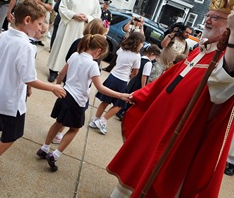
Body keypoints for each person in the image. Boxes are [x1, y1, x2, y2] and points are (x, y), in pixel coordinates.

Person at [106, 0, 234, 197]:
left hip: (184, 134)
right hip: (162, 122)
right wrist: (140, 94)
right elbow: (170, 80)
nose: (208, 21)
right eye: (207, 16)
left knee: (161, 179)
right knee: (141, 169)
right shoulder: (202, 49)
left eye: (216, 18)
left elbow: (225, 88)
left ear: (233, 23)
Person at [0, 0, 66, 183]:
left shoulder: (4, 35)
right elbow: (29, 78)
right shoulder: (26, 46)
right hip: (11, 102)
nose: (41, 27)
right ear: (27, 20)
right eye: (39, 23)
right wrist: (53, 87)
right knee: (12, 135)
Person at [36, 34, 130, 172]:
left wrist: (57, 87)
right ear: (98, 51)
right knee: (74, 129)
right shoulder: (92, 64)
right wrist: (121, 95)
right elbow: (100, 88)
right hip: (77, 101)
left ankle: (44, 148)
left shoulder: (75, 55)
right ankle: (55, 155)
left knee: (58, 123)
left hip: (64, 93)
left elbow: (61, 74)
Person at [47, 0, 101, 82]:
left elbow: (97, 16)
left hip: (81, 30)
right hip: (68, 26)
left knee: (75, 52)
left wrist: (87, 18)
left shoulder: (94, 0)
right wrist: (74, 15)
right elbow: (61, 7)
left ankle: (66, 74)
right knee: (60, 49)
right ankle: (53, 71)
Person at [90, 32, 145, 135]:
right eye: (142, 42)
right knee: (119, 104)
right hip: (122, 80)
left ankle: (95, 119)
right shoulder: (137, 56)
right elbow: (135, 72)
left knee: (105, 101)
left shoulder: (122, 49)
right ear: (138, 43)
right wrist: (131, 76)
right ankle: (103, 120)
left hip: (112, 76)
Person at [116, 44, 161, 121]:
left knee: (128, 96)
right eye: (155, 57)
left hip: (133, 81)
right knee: (133, 99)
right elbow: (144, 76)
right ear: (152, 54)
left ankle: (119, 109)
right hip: (139, 83)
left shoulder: (140, 58)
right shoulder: (149, 63)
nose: (155, 59)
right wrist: (143, 87)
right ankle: (122, 112)